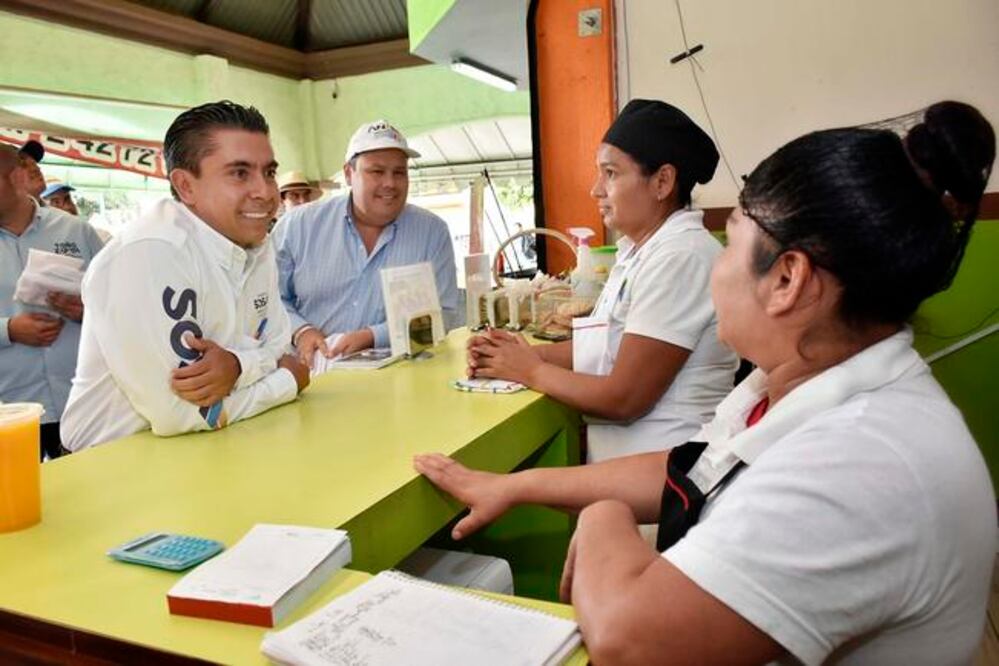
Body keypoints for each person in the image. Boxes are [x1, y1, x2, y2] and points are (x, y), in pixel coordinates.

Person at [415, 100, 996, 664]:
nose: (715, 266)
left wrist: (601, 514)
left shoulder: (859, 463)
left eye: (733, 241)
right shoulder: (783, 387)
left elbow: (627, 641)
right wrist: (515, 486)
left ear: (788, 279)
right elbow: (692, 465)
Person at [469, 100, 738, 462]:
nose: (596, 189)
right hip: (628, 468)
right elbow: (606, 347)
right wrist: (515, 353)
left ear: (662, 181)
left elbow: (624, 397)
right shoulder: (638, 250)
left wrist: (530, 370)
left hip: (667, 475)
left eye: (610, 173)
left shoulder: (681, 256)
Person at [61, 101, 310, 451]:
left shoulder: (256, 241)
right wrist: (286, 381)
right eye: (240, 173)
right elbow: (181, 413)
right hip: (118, 466)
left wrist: (237, 365)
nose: (266, 192)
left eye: (269, 172)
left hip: (220, 448)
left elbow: (281, 344)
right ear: (185, 186)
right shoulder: (151, 253)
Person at [274, 120, 458, 363]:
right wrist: (301, 331)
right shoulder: (297, 227)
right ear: (349, 174)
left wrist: (372, 336)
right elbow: (268, 299)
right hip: (312, 376)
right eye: (377, 171)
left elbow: (443, 313)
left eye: (399, 172)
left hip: (399, 378)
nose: (390, 183)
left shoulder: (432, 232)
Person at [0, 144, 104, 459]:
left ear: (16, 178)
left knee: (93, 493)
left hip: (82, 398)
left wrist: (89, 311)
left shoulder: (76, 231)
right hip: (11, 408)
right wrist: (9, 329)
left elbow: (121, 305)